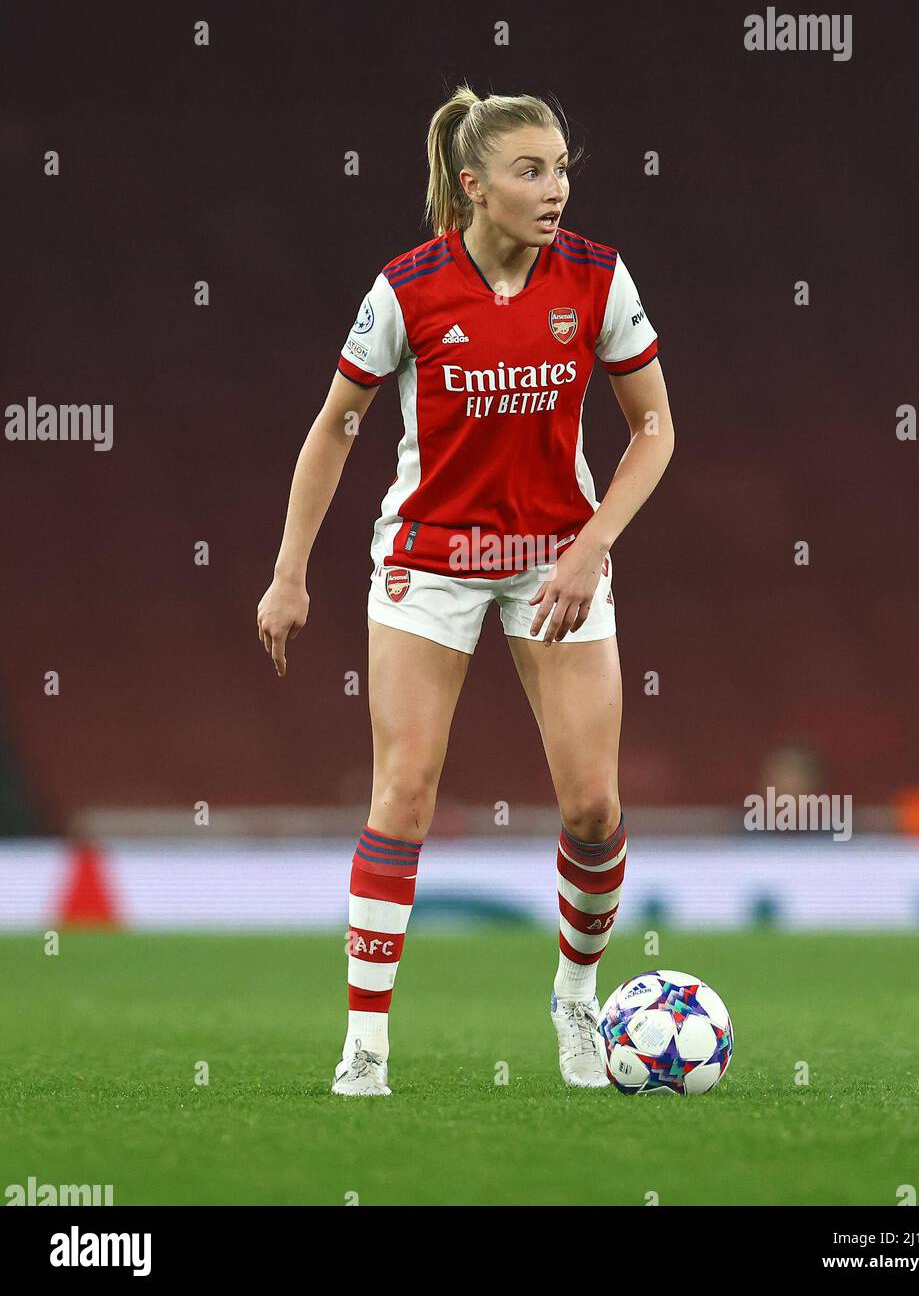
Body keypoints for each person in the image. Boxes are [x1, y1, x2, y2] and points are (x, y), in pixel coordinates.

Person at [256, 84, 675, 1096]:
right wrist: (287, 570)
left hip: (549, 556)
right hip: (430, 556)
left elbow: (653, 428)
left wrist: (590, 546)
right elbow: (335, 426)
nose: (554, 189)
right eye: (530, 171)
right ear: (471, 183)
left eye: (561, 168)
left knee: (591, 807)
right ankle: (366, 1044)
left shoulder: (596, 278)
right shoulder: (405, 290)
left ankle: (575, 996)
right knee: (401, 793)